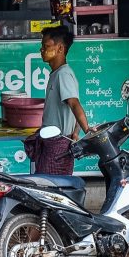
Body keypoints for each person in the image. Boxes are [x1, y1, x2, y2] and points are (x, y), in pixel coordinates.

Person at [28, 25, 91, 175]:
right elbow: (72, 107)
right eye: (42, 46)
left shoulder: (63, 74)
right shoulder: (56, 74)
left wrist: (88, 131)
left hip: (58, 146)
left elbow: (74, 104)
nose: (41, 50)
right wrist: (76, 132)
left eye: (46, 46)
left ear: (60, 49)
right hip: (53, 142)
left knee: (49, 187)